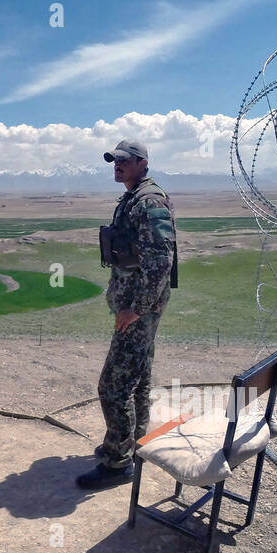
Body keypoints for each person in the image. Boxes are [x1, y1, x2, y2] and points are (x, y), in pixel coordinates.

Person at [77, 139, 176, 490]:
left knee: (113, 386)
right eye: (114, 161)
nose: (117, 166)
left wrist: (137, 309)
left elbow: (161, 262)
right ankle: (132, 444)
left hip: (137, 310)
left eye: (125, 161)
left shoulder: (148, 202)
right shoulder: (134, 198)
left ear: (142, 163)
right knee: (137, 377)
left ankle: (118, 462)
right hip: (134, 307)